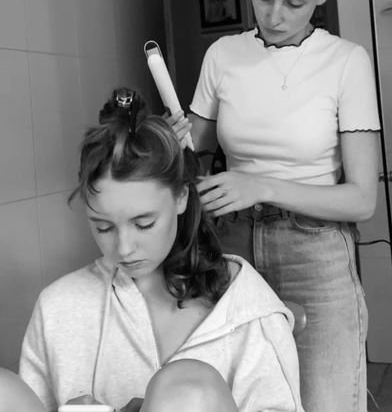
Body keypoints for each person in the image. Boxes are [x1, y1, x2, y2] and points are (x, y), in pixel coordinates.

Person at [176, 0, 380, 412]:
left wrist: (260, 184)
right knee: (244, 398)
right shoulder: (223, 56)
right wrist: (173, 133)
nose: (275, 15)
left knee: (323, 401)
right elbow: (193, 146)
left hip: (315, 251)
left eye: (295, 3)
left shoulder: (346, 62)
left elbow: (362, 198)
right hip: (232, 244)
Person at [3, 88, 303, 412]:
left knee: (186, 391)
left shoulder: (246, 312)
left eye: (143, 224)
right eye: (103, 227)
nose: (123, 248)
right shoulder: (59, 308)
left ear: (181, 198)